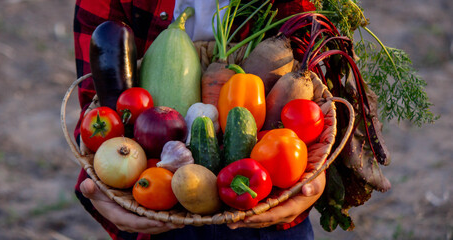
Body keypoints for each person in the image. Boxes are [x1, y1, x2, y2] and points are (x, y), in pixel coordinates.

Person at [73, 0, 326, 239]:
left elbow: (317, 93)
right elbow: (97, 96)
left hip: (268, 208)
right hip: (150, 209)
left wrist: (318, 167)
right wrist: (99, 179)